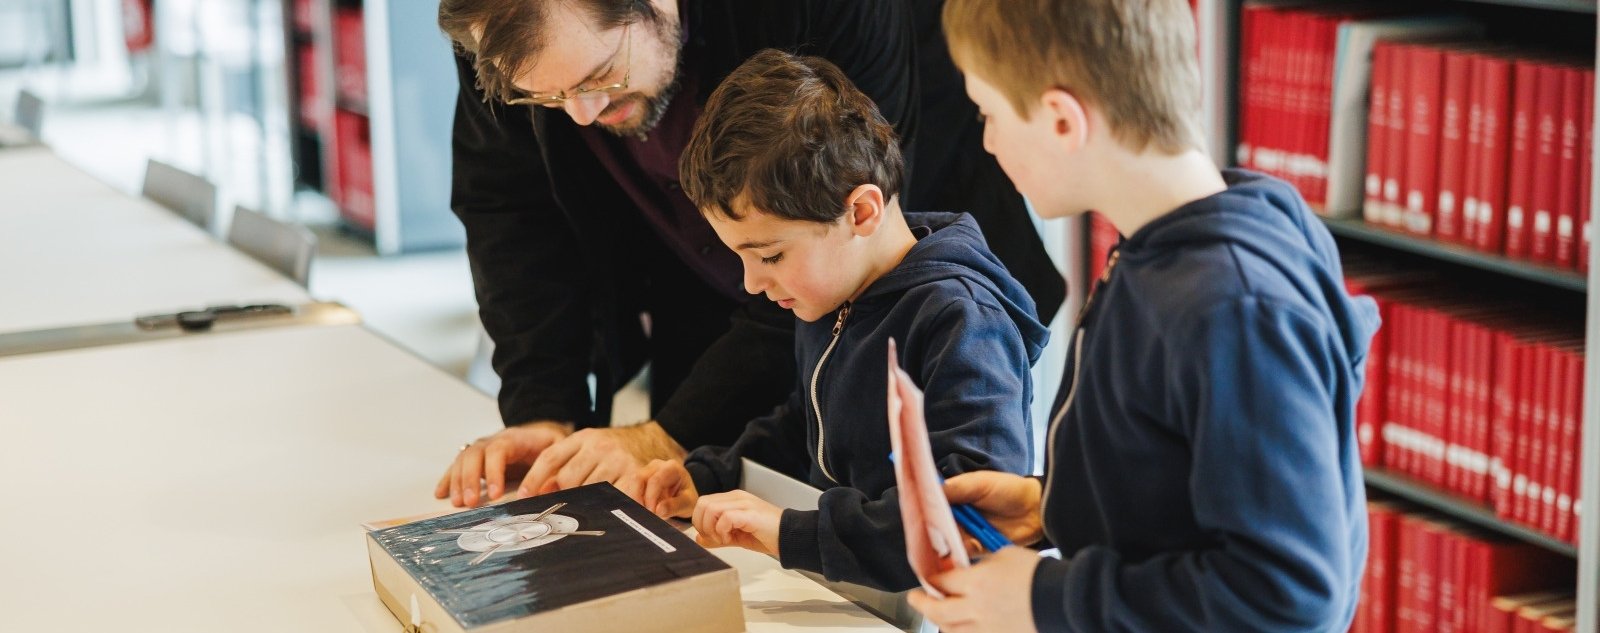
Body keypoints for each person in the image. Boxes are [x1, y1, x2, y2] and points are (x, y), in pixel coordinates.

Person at [432, 0, 1065, 509]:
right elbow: (510, 208)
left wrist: (685, 446)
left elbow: (946, 529)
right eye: (545, 98)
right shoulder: (504, 27)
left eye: (601, 76)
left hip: (880, 283)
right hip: (718, 299)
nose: (580, 114)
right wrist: (545, 408)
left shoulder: (953, 322)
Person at [903, 0, 1381, 631]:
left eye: (987, 115)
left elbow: (1287, 597)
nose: (987, 142)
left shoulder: (1234, 306)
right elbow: (1177, 474)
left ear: (1062, 120)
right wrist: (1052, 505)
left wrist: (1047, 599)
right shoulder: (1165, 248)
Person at [614, 49, 1046, 591]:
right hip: (850, 597)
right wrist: (710, 475)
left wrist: (791, 533)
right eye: (739, 257)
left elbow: (966, 519)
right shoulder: (835, 293)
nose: (751, 284)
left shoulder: (961, 321)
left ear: (861, 212)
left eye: (770, 255)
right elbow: (809, 425)